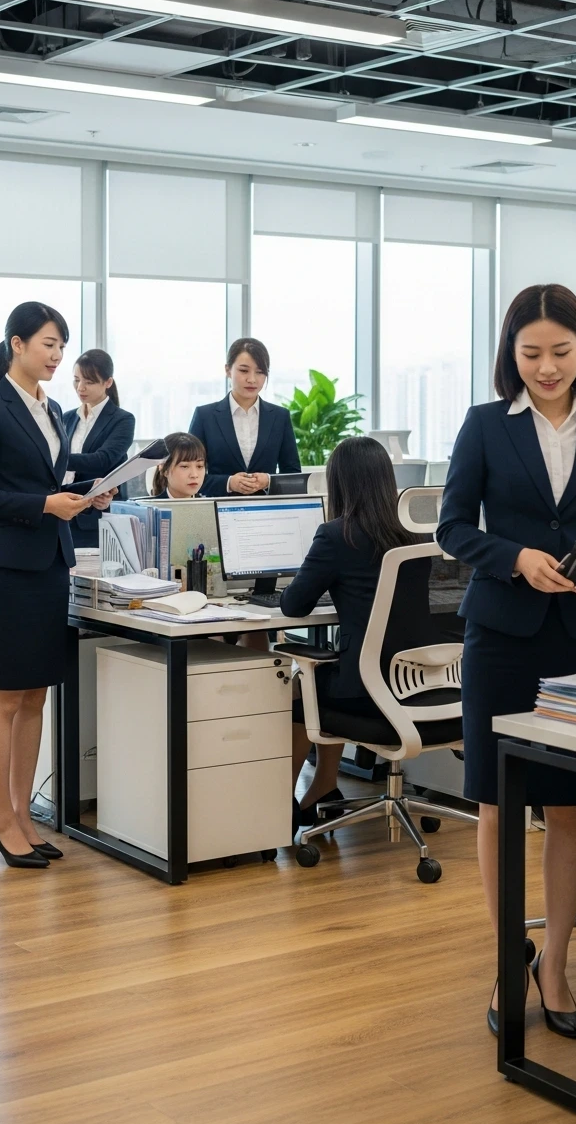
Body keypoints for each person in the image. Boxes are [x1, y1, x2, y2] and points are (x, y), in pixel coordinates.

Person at [437, 283, 576, 1040]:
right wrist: (513, 556)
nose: (547, 367)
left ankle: (553, 962)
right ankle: (506, 958)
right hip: (501, 636)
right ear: (511, 355)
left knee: (566, 806)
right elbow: (453, 527)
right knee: (497, 802)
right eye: (531, 353)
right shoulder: (485, 426)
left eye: (560, 352)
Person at [0, 303, 113, 869]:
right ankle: (0, 820)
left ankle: (24, 813)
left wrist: (86, 495)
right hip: (7, 570)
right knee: (4, 697)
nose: (56, 356)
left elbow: (49, 478)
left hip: (51, 564)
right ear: (17, 345)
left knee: (36, 695)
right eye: (49, 344)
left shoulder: (52, 413)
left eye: (61, 346)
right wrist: (43, 504)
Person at [280, 436, 422, 829]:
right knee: (328, 673)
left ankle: (282, 800)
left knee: (300, 685)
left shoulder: (335, 535)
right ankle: (324, 786)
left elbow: (293, 606)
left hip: (368, 693)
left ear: (338, 484)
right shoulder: (415, 534)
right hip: (422, 689)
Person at [189, 337, 300, 497]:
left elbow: (293, 476)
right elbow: (189, 477)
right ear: (228, 370)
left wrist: (268, 481)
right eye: (244, 370)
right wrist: (229, 483)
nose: (252, 379)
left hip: (267, 512)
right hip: (218, 512)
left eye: (260, 372)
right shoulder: (205, 416)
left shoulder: (279, 417)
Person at [62, 349, 135, 550]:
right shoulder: (66, 418)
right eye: (76, 380)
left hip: (97, 520)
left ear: (108, 382)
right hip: (63, 515)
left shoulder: (122, 420)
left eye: (89, 382)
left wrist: (57, 458)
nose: (80, 388)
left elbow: (103, 459)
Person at [150, 432, 207, 499]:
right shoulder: (151, 508)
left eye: (199, 466)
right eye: (184, 466)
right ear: (164, 469)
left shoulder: (211, 506)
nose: (194, 475)